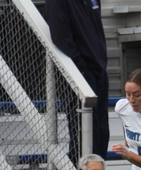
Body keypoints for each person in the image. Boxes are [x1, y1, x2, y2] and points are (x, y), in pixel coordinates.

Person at [45, 0, 110, 159]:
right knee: (85, 135)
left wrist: (101, 63)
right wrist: (81, 69)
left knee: (102, 133)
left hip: (99, 71)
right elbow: (61, 37)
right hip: (80, 75)